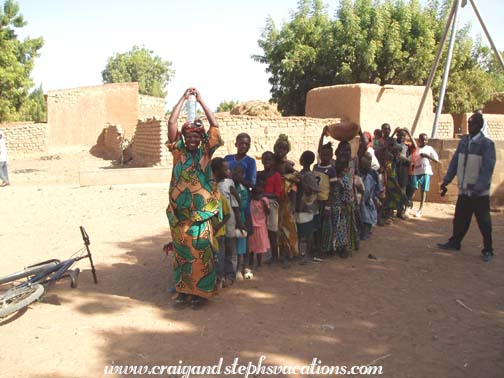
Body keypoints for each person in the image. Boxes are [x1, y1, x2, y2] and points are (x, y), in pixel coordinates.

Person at [166, 88, 223, 310]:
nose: (191, 140)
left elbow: (215, 125)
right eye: (188, 136)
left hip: (201, 215)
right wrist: (182, 99)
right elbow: (171, 124)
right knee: (182, 254)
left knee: (202, 253)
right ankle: (183, 292)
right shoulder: (178, 153)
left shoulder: (206, 153)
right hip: (180, 216)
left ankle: (201, 294)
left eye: (195, 137)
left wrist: (200, 100)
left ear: (201, 139)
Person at [438, 112, 496, 262]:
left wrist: (478, 188)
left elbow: (487, 169)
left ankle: (488, 249)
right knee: (459, 219)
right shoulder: (464, 142)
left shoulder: (487, 144)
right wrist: (446, 181)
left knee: (483, 222)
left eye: (473, 124)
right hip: (464, 190)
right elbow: (455, 162)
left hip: (479, 193)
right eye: (469, 124)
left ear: (480, 125)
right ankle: (455, 242)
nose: (470, 126)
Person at [211, 157, 245, 285]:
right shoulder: (213, 185)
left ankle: (230, 274)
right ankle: (221, 275)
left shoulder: (228, 182)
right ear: (216, 171)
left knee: (230, 249)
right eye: (225, 169)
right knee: (220, 251)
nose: (228, 171)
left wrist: (239, 219)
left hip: (229, 220)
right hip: (217, 224)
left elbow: (236, 200)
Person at [273, 134, 299, 268]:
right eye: (278, 148)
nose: (280, 151)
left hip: (286, 202)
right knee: (277, 227)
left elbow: (295, 182)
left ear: (287, 151)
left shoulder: (287, 166)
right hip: (274, 201)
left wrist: (293, 201)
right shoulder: (271, 164)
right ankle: (279, 253)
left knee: (288, 226)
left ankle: (291, 252)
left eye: (283, 149)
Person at [313, 142, 338, 256]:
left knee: (324, 226)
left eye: (327, 155)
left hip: (324, 201)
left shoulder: (332, 170)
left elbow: (333, 189)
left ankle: (324, 248)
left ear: (331, 156)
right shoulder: (316, 167)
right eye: (322, 155)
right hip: (315, 201)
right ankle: (315, 246)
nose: (324, 157)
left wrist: (328, 205)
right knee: (316, 225)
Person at [257, 151, 282, 264]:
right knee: (260, 231)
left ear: (274, 162)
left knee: (272, 231)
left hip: (271, 204)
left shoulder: (276, 175)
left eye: (270, 159)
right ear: (261, 161)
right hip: (261, 204)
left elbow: (277, 194)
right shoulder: (259, 174)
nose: (267, 161)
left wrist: (264, 195)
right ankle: (260, 258)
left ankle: (275, 257)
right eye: (265, 159)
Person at [296, 151, 319, 264]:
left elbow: (312, 191)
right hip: (301, 207)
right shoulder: (302, 173)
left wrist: (302, 183)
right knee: (302, 231)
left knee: (307, 232)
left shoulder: (308, 175)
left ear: (303, 160)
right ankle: (302, 254)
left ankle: (308, 254)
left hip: (307, 207)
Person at [410, 133, 439, 218]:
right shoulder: (416, 149)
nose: (423, 141)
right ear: (419, 140)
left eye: (425, 139)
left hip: (426, 171)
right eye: (422, 139)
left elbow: (436, 160)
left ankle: (420, 210)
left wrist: (427, 156)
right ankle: (408, 205)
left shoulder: (429, 148)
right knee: (413, 188)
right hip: (416, 171)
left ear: (427, 140)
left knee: (423, 190)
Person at [248, 178, 271, 270]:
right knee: (251, 245)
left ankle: (259, 264)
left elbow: (268, 212)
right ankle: (250, 262)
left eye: (261, 187)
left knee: (260, 246)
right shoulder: (251, 199)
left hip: (261, 225)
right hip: (252, 224)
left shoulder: (264, 200)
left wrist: (265, 205)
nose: (259, 189)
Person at [231, 165, 249, 278]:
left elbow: (242, 206)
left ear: (242, 175)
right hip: (230, 220)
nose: (236, 175)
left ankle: (239, 269)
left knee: (240, 247)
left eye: (239, 173)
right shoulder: (228, 186)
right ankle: (231, 270)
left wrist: (235, 195)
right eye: (235, 172)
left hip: (240, 220)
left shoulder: (243, 190)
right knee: (231, 246)